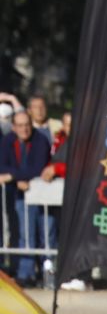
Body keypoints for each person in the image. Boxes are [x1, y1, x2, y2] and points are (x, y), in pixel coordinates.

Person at [0, 106, 54, 285]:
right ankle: (25, 272)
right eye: (20, 125)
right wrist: (17, 178)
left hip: (41, 194)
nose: (24, 129)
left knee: (44, 234)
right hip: (18, 194)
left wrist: (13, 176)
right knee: (23, 233)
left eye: (27, 125)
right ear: (13, 127)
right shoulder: (8, 141)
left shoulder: (40, 140)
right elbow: (2, 166)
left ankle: (45, 273)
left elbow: (37, 167)